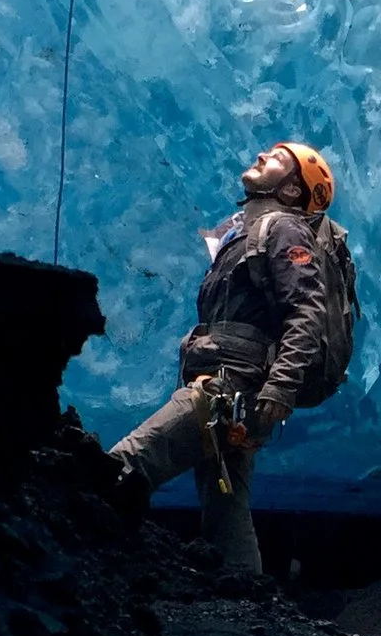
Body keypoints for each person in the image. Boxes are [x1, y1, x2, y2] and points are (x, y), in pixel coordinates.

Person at [107, 141, 344, 574]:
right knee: (226, 510)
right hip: (229, 387)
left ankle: (76, 569)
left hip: (229, 388)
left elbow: (306, 311)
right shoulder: (244, 232)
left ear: (293, 191)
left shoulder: (285, 230)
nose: (260, 157)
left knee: (125, 466)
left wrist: (281, 384)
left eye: (276, 160)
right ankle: (250, 608)